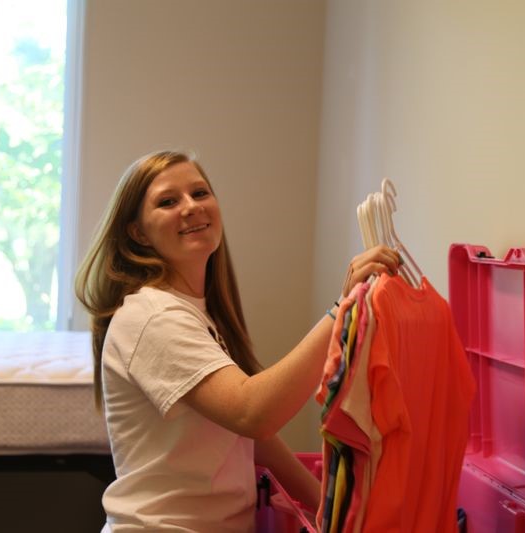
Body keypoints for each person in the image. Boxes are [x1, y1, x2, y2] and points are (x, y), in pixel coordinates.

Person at [75, 150, 400, 532]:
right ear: (138, 232)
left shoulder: (193, 313)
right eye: (168, 201)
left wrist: (326, 509)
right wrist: (341, 311)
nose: (191, 207)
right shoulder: (154, 317)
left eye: (200, 193)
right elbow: (252, 413)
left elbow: (246, 435)